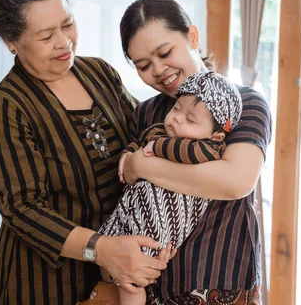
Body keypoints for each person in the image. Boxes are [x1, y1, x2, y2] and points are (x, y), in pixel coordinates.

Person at [0, 0, 173, 305]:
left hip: (118, 275)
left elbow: (145, 129)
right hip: (46, 281)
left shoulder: (99, 72)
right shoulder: (6, 106)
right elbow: (22, 208)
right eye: (45, 36)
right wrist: (101, 249)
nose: (64, 42)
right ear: (12, 42)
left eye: (67, 24)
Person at [119, 0, 272, 304]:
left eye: (165, 52)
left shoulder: (243, 104)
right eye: (144, 65)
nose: (159, 69)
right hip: (154, 282)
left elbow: (234, 181)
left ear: (192, 36)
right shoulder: (145, 113)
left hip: (221, 278)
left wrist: (141, 165)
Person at [95, 70, 243, 305]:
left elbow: (187, 152)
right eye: (176, 109)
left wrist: (157, 146)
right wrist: (127, 154)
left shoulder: (208, 148)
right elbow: (138, 142)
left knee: (134, 279)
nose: (176, 119)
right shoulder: (158, 130)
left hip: (163, 219)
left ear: (215, 135)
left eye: (191, 119)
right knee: (105, 252)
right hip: (134, 208)